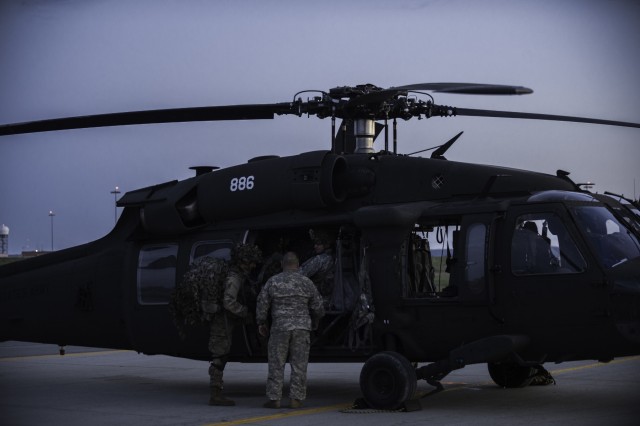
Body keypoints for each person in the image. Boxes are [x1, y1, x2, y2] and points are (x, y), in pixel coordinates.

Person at [256, 252, 325, 409]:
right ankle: (296, 399)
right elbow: (319, 307)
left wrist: (261, 322)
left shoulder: (273, 281)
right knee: (299, 365)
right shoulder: (306, 282)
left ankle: (274, 399)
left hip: (280, 327)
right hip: (301, 329)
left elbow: (262, 303)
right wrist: (315, 321)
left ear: (282, 264)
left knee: (276, 363)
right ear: (298, 265)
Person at [208, 243, 262, 406]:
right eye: (251, 262)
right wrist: (244, 312)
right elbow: (228, 302)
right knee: (220, 356)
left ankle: (216, 392)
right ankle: (215, 394)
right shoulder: (234, 278)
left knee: (222, 355)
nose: (253, 266)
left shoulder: (238, 276)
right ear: (244, 261)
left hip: (225, 320)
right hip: (222, 322)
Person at [299, 233, 334, 304]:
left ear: (326, 245)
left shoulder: (320, 259)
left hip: (318, 297)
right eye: (315, 244)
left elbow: (301, 275)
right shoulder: (331, 257)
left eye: (319, 244)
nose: (315, 246)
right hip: (326, 297)